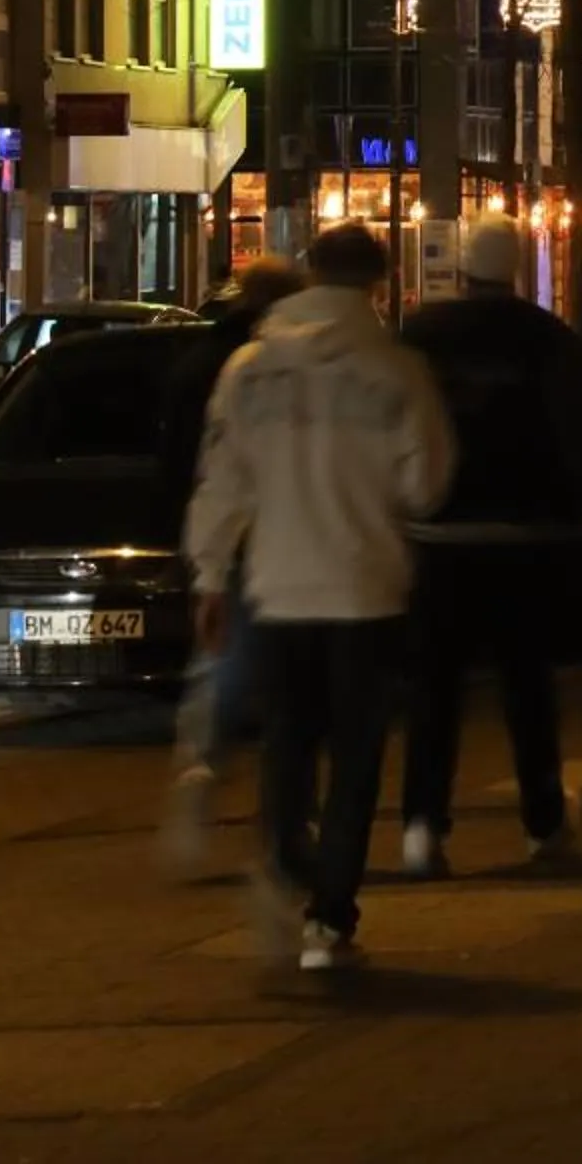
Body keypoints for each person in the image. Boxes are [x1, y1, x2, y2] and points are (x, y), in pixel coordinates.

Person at [184, 221, 453, 976]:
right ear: (379, 280)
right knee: (357, 756)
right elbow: (424, 486)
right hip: (366, 587)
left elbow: (222, 481)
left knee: (289, 741)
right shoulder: (397, 371)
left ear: (308, 275)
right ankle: (329, 918)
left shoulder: (249, 368)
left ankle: (283, 857)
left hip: (277, 586)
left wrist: (208, 576)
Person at [397, 213, 582, 874]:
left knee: (434, 691)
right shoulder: (546, 339)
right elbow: (575, 435)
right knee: (527, 687)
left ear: (461, 269)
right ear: (515, 268)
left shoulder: (421, 337)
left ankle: (423, 825)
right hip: (521, 533)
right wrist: (574, 511)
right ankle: (542, 822)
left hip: (437, 534)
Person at [161, 254, 307, 874]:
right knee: (293, 686)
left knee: (224, 668)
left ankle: (203, 766)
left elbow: (189, 462)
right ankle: (283, 824)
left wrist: (203, 560)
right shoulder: (273, 369)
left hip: (230, 538)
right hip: (285, 540)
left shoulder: (199, 361)